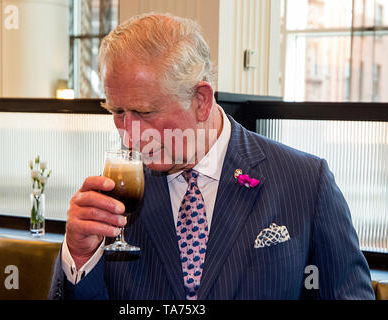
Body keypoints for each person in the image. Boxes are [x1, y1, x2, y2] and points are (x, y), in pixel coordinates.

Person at [49, 13, 375, 300]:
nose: (129, 135)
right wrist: (79, 257)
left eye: (145, 112)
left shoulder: (305, 180)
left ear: (202, 100)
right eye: (118, 112)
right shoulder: (115, 196)